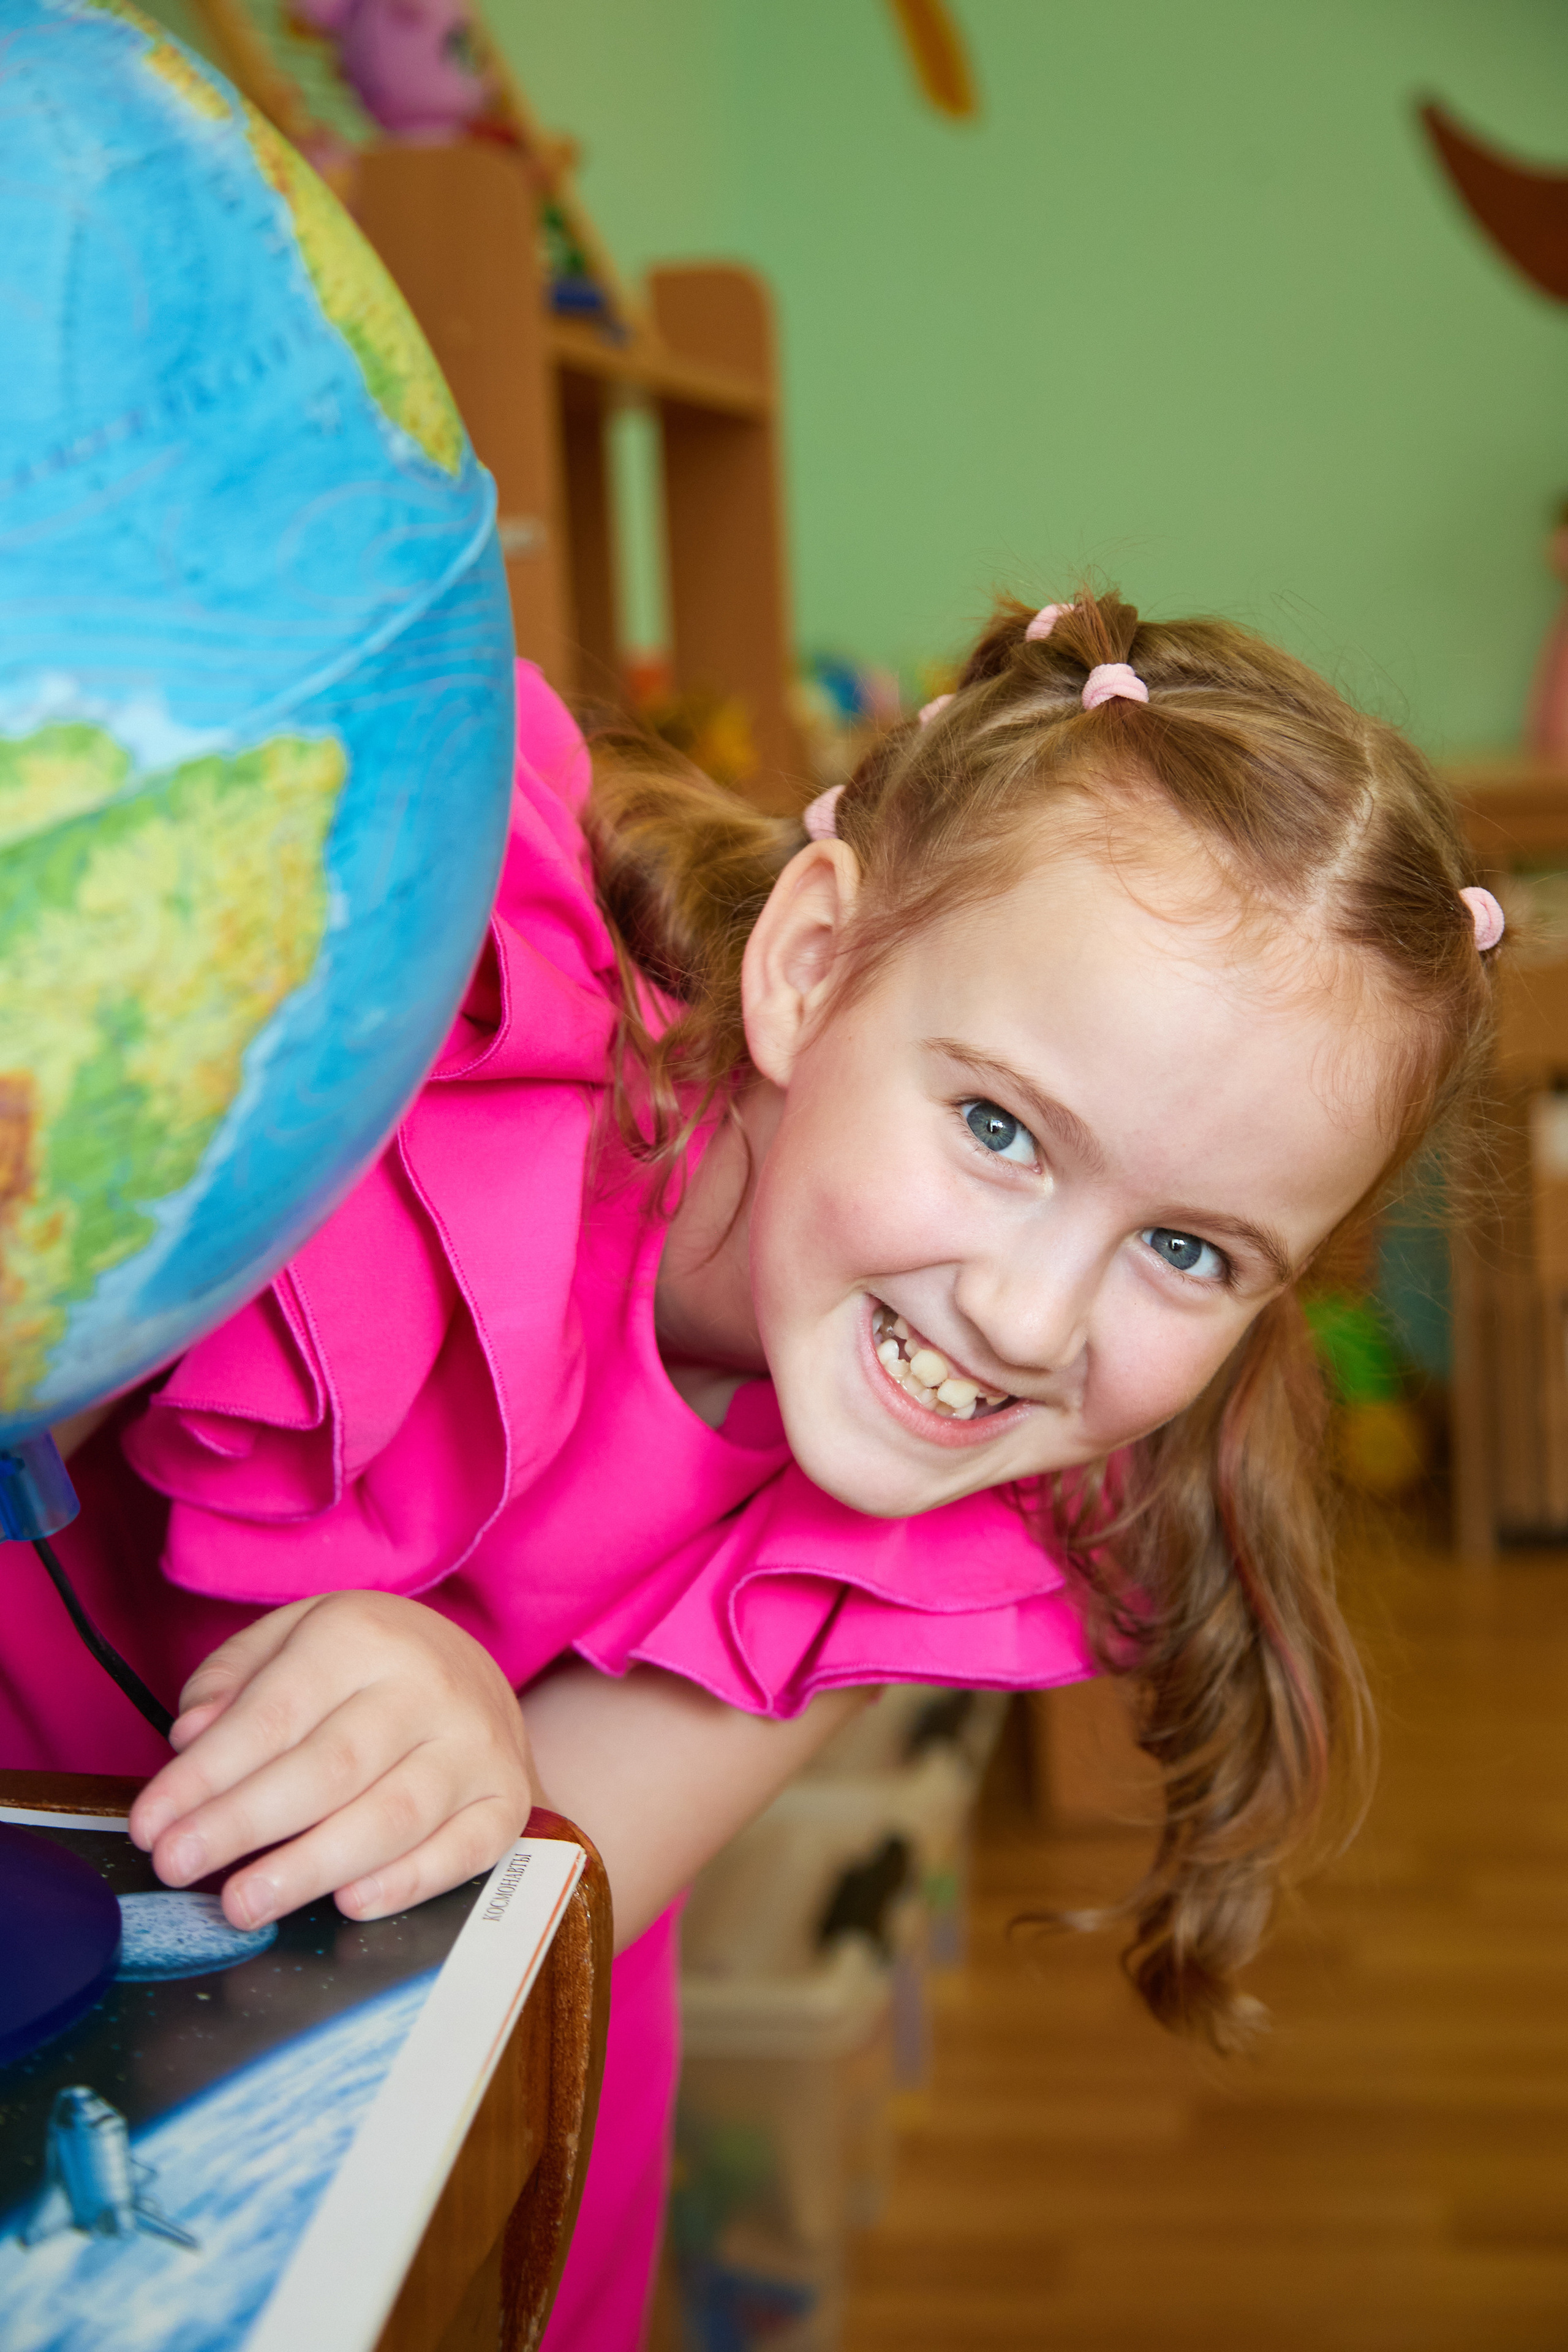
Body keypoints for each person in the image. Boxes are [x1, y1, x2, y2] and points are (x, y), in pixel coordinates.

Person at [4, 589, 1501, 2346]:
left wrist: (457, 1711)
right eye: (999, 1129)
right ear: (808, 965)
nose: (1028, 1318)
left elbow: (523, 1910)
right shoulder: (448, 1043)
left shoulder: (991, 1508)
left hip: (419, 2074)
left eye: (1192, 1251)